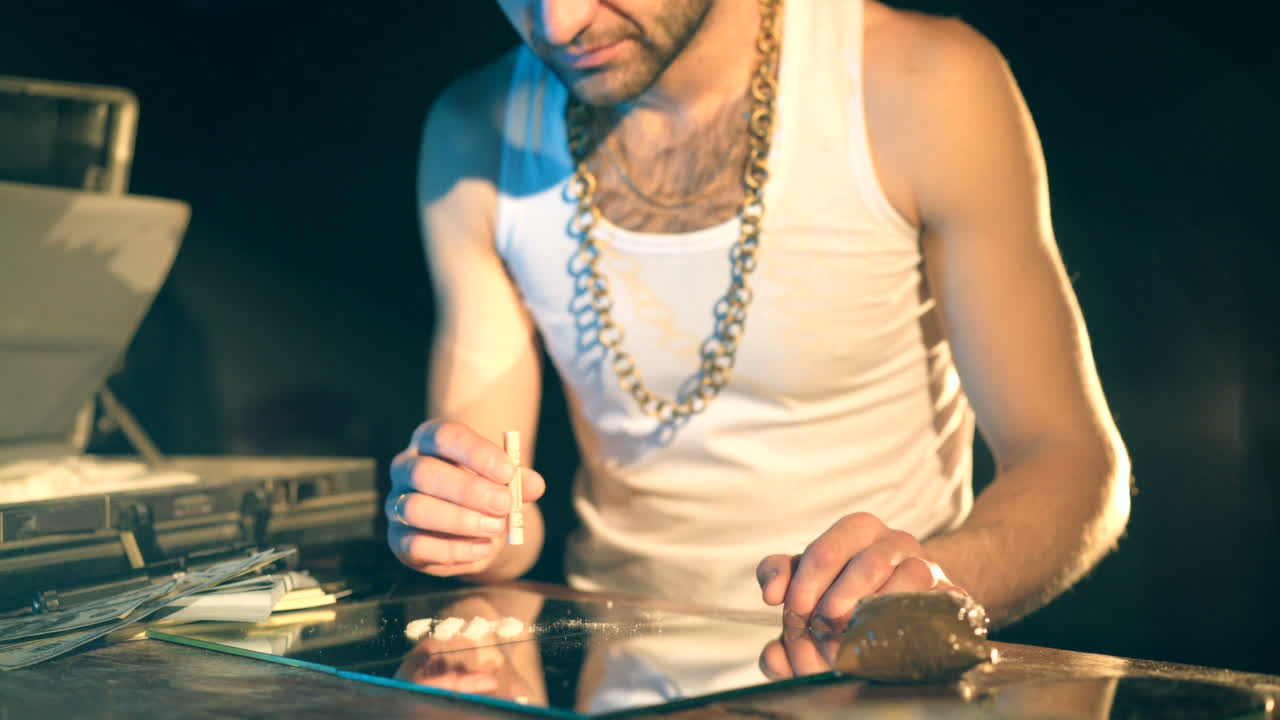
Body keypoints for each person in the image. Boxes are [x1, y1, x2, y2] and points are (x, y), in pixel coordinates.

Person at [386, 0, 1132, 632]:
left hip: (873, 689)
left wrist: (931, 581)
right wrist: (459, 522)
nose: (559, 22)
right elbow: (502, 515)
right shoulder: (473, 132)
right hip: (611, 683)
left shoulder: (920, 83)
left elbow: (1070, 462)